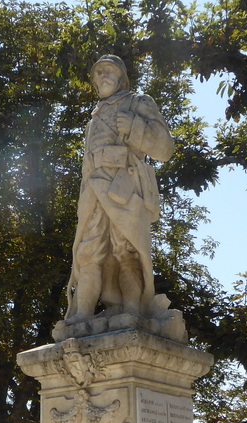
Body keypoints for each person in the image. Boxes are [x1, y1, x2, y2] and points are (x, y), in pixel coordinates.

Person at [65, 55, 174, 324]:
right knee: (87, 253)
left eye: (108, 71)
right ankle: (81, 317)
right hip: (93, 190)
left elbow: (165, 149)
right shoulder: (94, 118)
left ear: (121, 76)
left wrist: (136, 127)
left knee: (127, 250)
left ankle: (133, 313)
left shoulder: (139, 102)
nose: (102, 76)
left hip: (123, 187)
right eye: (97, 72)